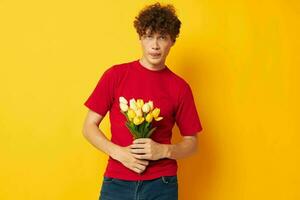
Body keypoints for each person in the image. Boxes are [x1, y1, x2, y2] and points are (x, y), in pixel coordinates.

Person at [82, 2, 203, 200]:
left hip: (162, 184)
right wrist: (119, 153)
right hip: (117, 182)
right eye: (149, 36)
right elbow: (88, 127)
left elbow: (192, 143)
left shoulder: (180, 87)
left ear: (172, 41)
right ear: (140, 37)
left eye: (162, 37)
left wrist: (163, 150)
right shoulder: (115, 75)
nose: (155, 45)